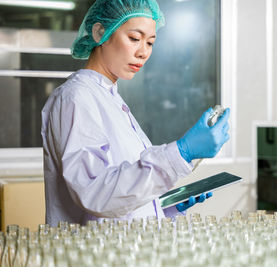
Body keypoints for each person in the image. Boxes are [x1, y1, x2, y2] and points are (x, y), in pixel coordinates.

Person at [41, 0, 230, 226]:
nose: (143, 52)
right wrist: (181, 152)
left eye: (150, 42)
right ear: (101, 32)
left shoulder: (109, 98)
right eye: (134, 38)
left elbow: (120, 190)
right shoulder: (77, 97)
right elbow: (95, 193)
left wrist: (164, 208)